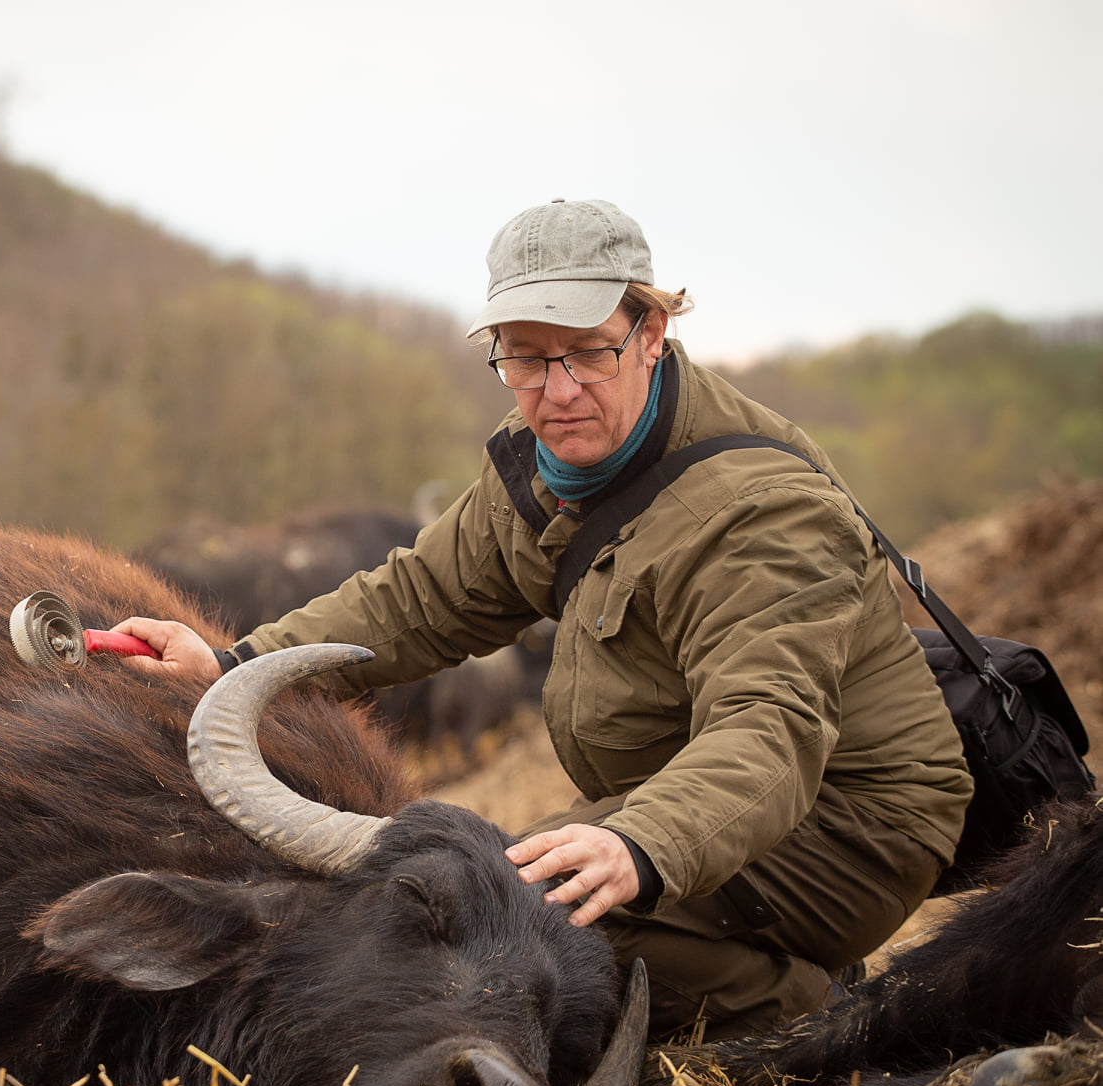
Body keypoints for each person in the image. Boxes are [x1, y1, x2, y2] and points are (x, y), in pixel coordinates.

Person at [114, 198, 972, 1041]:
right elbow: (421, 597)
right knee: (500, 902)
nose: (557, 391)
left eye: (588, 352)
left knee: (541, 931)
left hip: (843, 822)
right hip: (666, 798)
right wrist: (231, 664)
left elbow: (770, 729)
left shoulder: (762, 515)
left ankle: (805, 1010)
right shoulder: (546, 460)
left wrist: (638, 845)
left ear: (651, 332)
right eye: (524, 358)